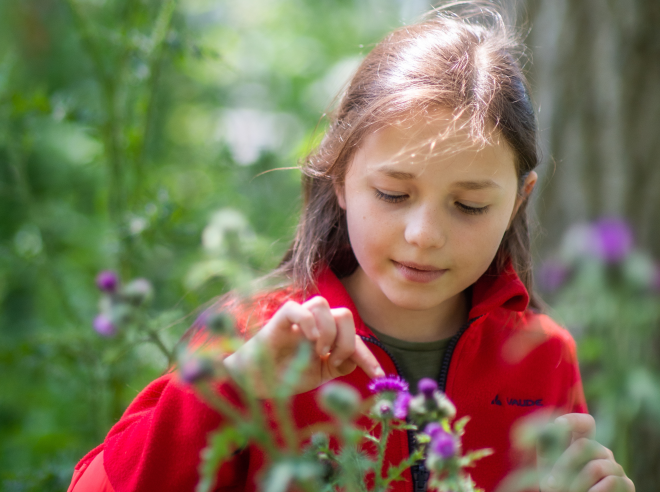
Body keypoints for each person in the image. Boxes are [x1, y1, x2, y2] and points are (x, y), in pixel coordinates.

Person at [68, 4, 634, 492]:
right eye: (393, 194)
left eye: (469, 205)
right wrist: (235, 389)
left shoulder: (543, 356)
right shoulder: (255, 335)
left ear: (517, 201)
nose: (424, 234)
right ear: (339, 177)